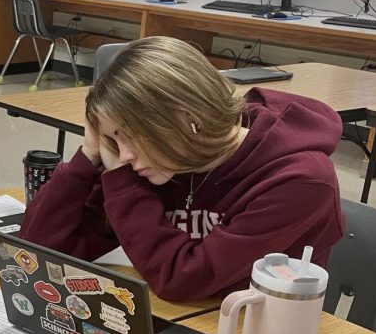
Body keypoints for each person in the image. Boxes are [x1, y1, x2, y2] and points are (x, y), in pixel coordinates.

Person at [21, 37, 345, 302]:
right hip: (187, 323)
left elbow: (182, 281)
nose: (125, 157)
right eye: (113, 141)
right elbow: (37, 251)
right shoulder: (161, 157)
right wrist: (88, 155)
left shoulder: (300, 181)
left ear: (186, 120)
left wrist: (120, 180)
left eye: (128, 136)